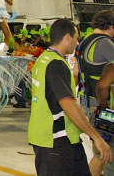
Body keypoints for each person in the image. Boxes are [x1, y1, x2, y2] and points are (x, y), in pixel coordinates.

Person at [29, 18, 112, 175]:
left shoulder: (43, 60)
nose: (77, 41)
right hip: (57, 141)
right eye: (76, 37)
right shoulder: (56, 64)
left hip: (48, 137)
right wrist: (97, 137)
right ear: (68, 37)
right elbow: (67, 104)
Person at [77, 10, 114, 106]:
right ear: (111, 26)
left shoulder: (84, 41)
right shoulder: (105, 42)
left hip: (85, 99)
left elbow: (75, 71)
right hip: (102, 101)